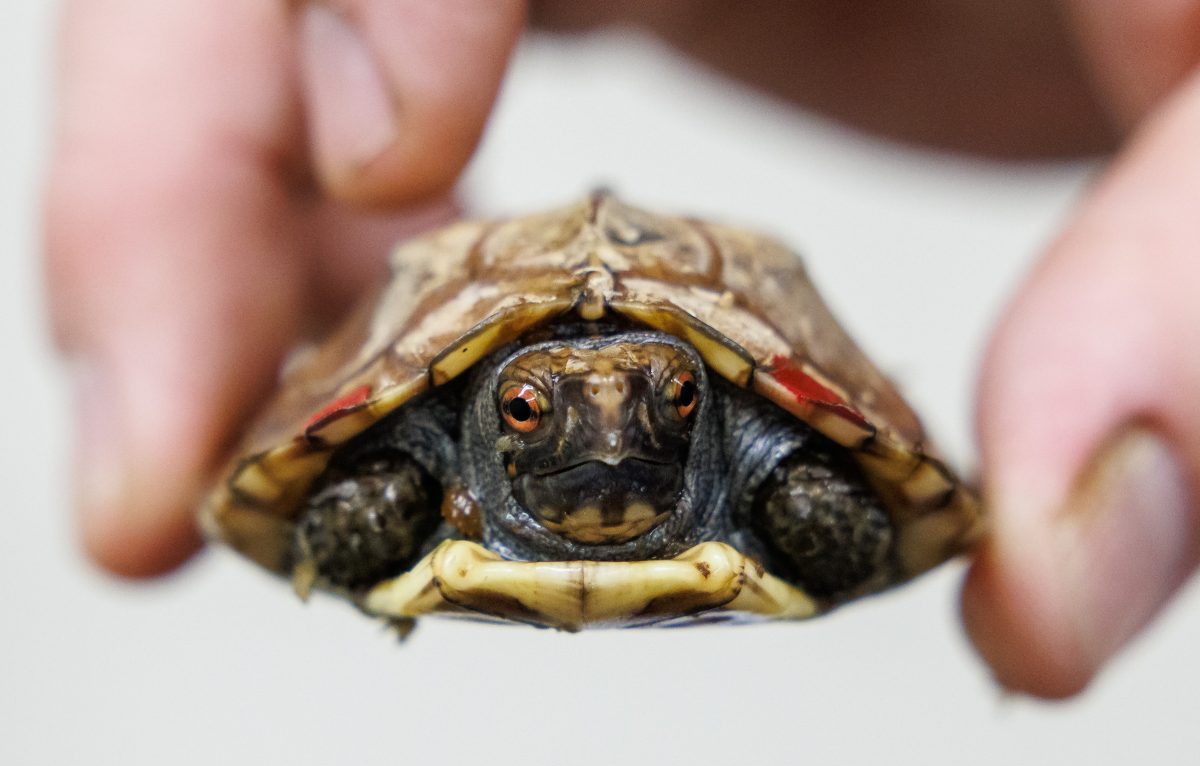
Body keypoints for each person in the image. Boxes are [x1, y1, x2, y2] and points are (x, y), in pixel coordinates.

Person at [43, 1, 1200, 699]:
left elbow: (857, 499)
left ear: (704, 411)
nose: (611, 421)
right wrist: (384, 492)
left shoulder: (754, 471)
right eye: (536, 410)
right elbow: (333, 484)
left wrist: (800, 490)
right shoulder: (425, 471)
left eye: (669, 400)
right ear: (491, 426)